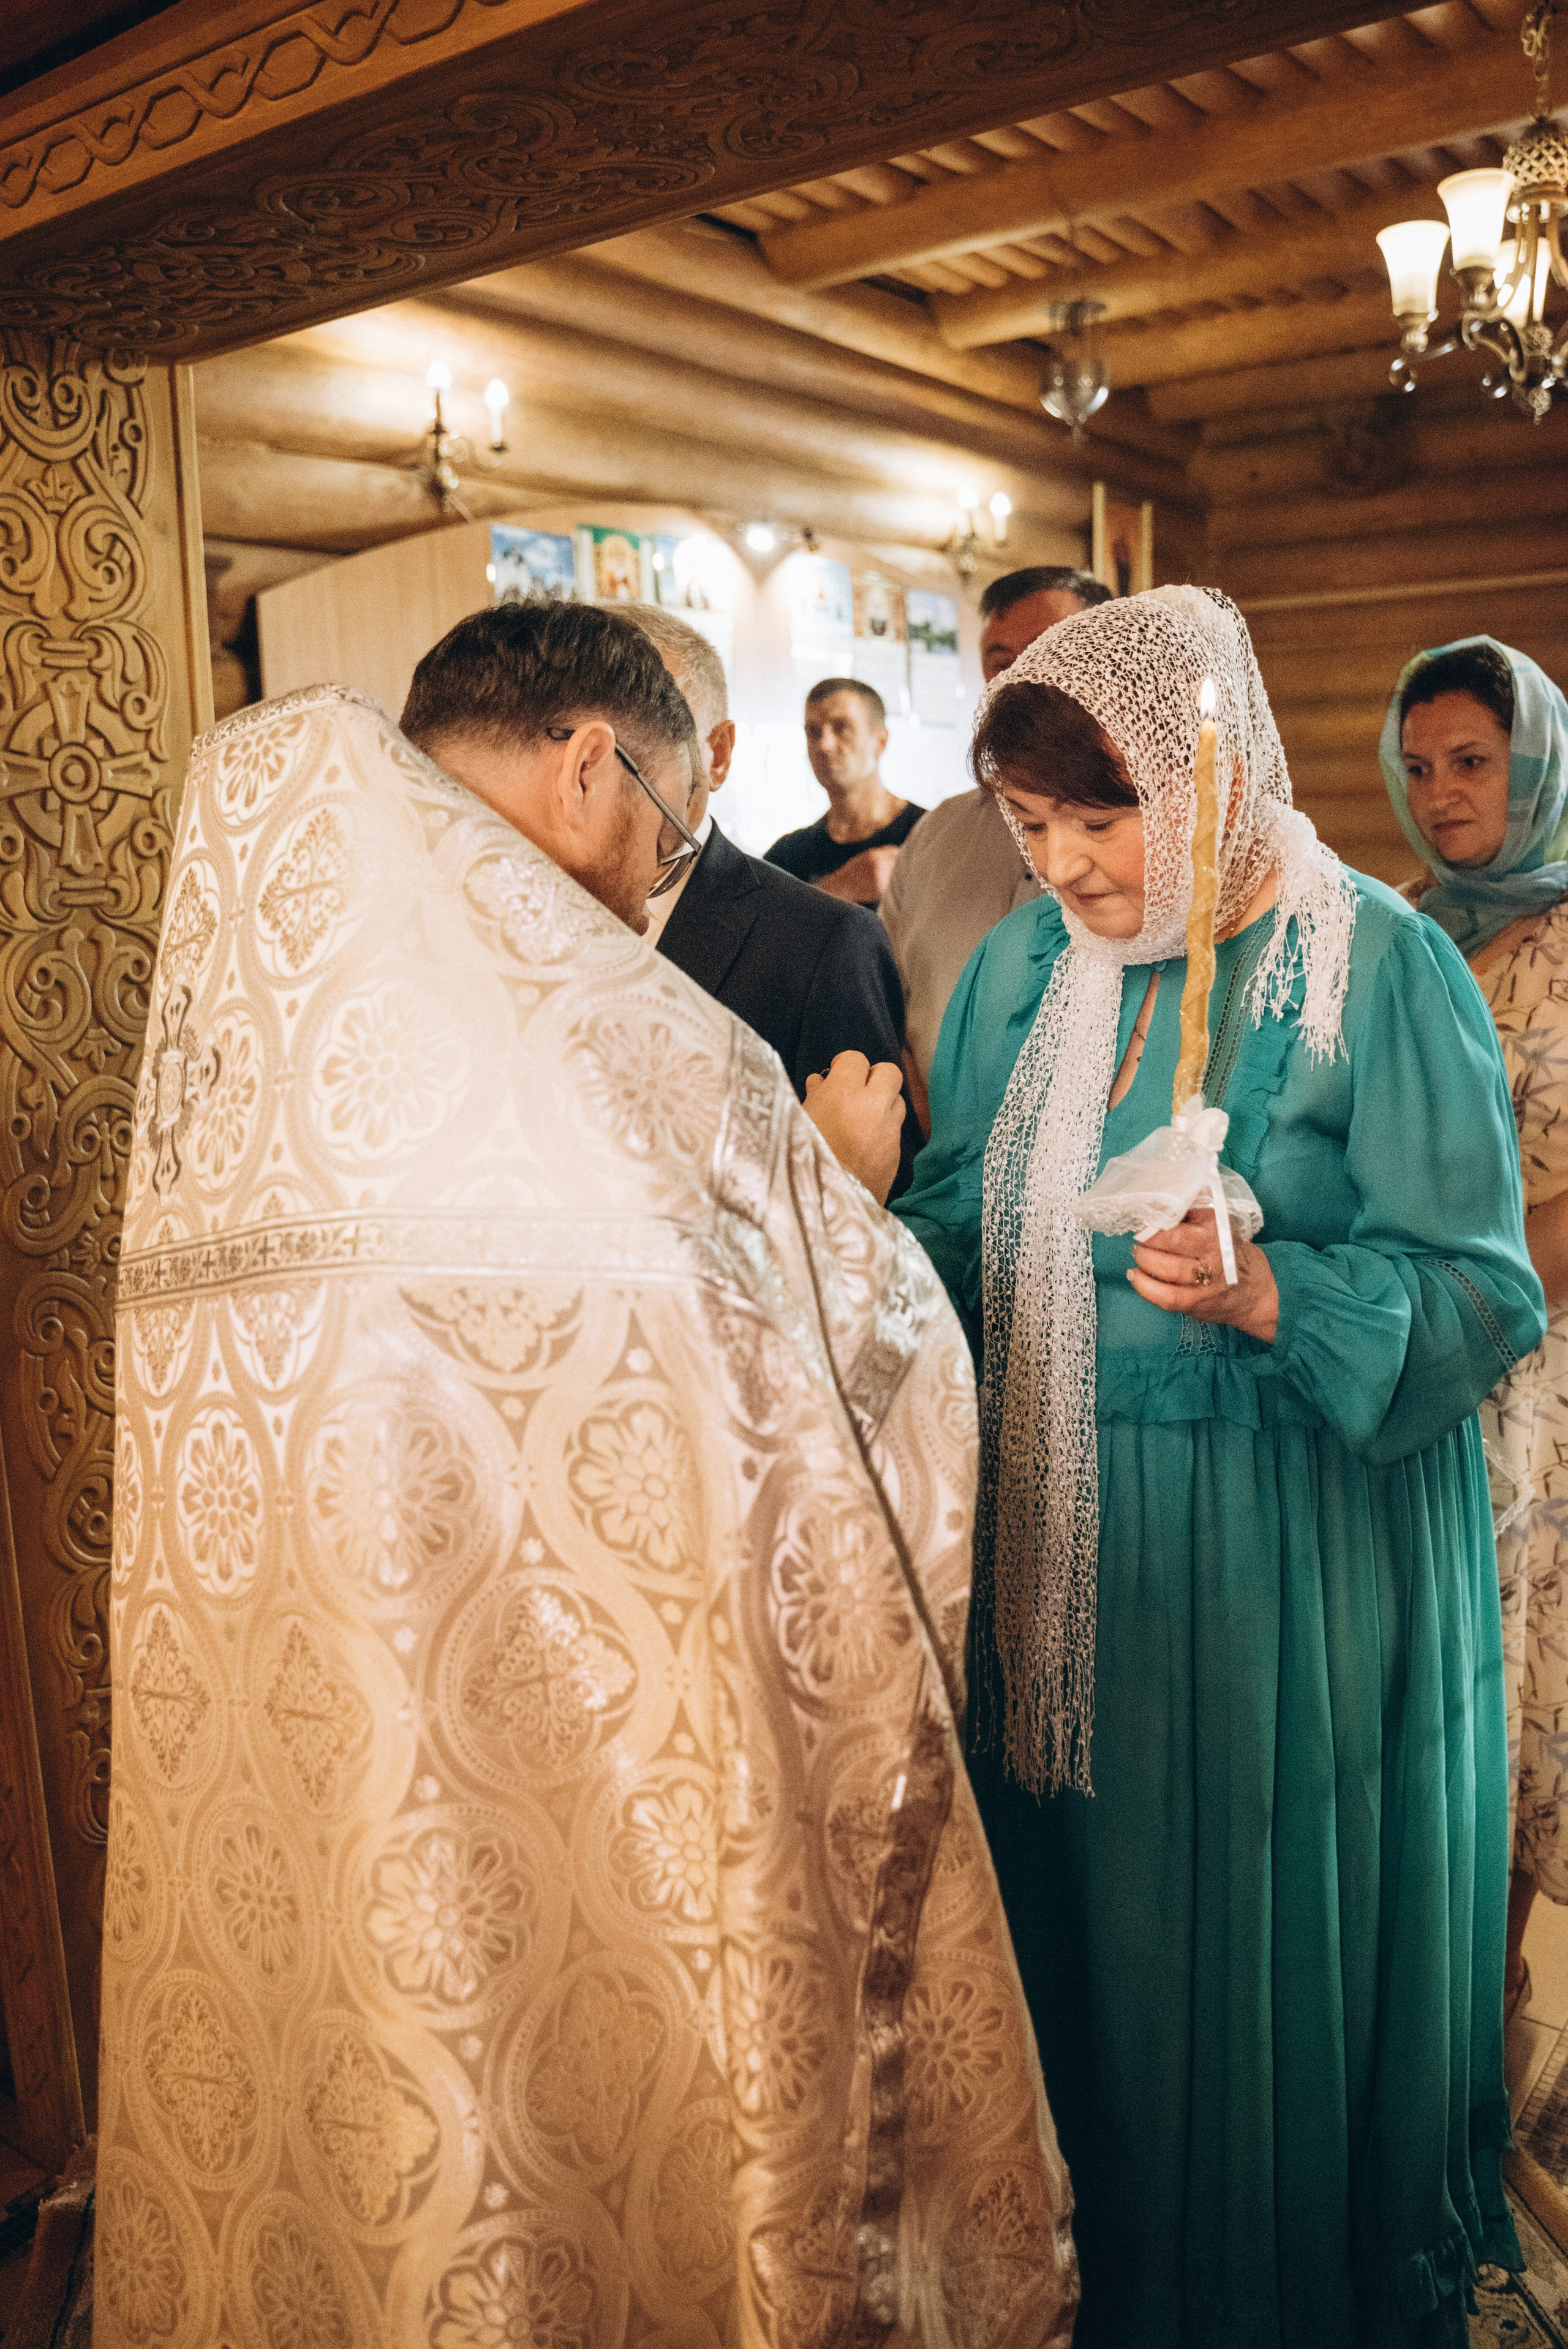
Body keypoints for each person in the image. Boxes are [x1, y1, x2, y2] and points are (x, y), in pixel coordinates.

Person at [96, 624, 1078, 2345]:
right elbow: (792, 1379)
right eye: (662, 831)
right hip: (579, 1735)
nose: (647, 885)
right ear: (585, 767)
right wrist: (837, 1189)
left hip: (291, 1709)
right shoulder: (606, 1031)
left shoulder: (260, 1049)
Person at [896, 584, 1545, 2348]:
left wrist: (1274, 1291)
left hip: (1287, 1554)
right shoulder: (1024, 969)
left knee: (1235, 1941)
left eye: (1100, 821)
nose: (1063, 868)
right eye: (1030, 826)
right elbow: (955, 1211)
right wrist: (844, 1229)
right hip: (1054, 1539)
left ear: (1213, 776)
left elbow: (1482, 1290)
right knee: (1077, 1945)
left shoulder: (1372, 966)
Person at [1381, 634, 1568, 2026]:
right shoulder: (1399, 922)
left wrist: (1476, 1303)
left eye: (1471, 762)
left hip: (1531, 1365)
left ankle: (1487, 2006)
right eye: (1418, 766)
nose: (1440, 793)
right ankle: (1410, 2005)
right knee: (1409, 1676)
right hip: (1399, 1354)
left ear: (1537, 768)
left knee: (1504, 1687)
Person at [620, 601, 919, 1194]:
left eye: (646, 734)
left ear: (718, 753)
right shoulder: (527, 913)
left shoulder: (832, 937)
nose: (825, 745)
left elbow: (880, 1172)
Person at [882, 566, 1113, 1123]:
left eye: (1048, 653)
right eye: (1003, 664)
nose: (1022, 681)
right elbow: (887, 994)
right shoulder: (937, 833)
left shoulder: (1150, 836)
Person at [766, 677, 923, 907]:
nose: (824, 745)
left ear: (880, 741)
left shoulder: (927, 835)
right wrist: (837, 889)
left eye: (842, 728)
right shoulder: (789, 856)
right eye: (813, 732)